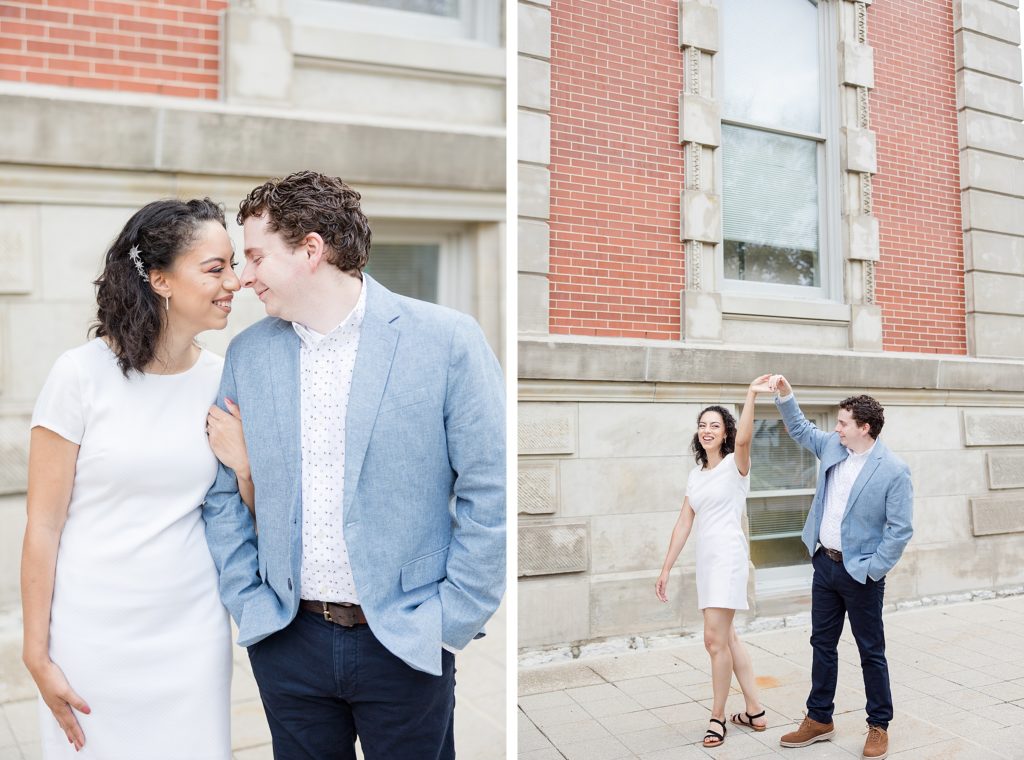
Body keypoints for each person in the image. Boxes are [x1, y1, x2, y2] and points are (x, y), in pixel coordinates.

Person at [201, 170, 506, 760]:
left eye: (257, 257)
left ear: (311, 250)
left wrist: (449, 619)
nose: (244, 277)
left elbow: (489, 490)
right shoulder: (247, 354)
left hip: (407, 639)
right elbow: (219, 496)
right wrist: (251, 604)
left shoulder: (447, 340)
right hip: (288, 642)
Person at [21, 199, 243, 758]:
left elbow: (248, 512)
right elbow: (42, 526)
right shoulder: (79, 375)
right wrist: (36, 652)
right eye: (215, 268)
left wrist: (245, 464)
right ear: (161, 279)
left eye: (233, 265)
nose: (235, 282)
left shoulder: (225, 378)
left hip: (192, 633)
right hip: (93, 634)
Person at [770, 374, 913, 760]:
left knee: (871, 651)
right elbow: (800, 429)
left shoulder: (893, 470)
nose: (836, 429)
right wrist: (786, 395)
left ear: (863, 428)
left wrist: (872, 570)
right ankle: (819, 719)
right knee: (822, 644)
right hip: (825, 565)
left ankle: (879, 725)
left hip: (861, 574)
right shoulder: (834, 447)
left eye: (843, 423)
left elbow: (900, 530)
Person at [656, 376, 773, 748]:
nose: (707, 431)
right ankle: (754, 708)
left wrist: (751, 394)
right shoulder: (696, 475)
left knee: (713, 640)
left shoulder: (736, 466)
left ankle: (717, 717)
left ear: (725, 434)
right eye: (702, 425)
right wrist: (666, 567)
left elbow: (745, 439)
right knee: (728, 637)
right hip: (707, 562)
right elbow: (684, 522)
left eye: (715, 426)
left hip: (728, 558)